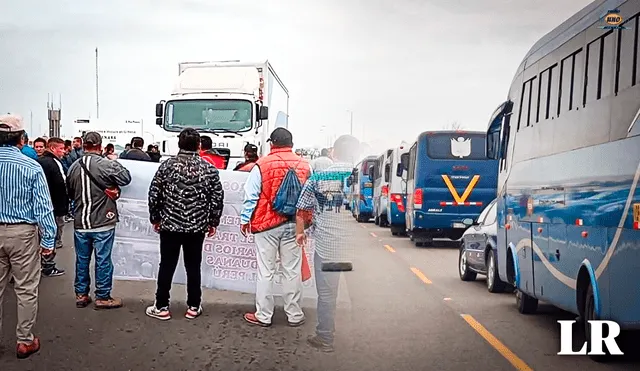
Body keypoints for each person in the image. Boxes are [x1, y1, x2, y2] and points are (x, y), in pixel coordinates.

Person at [146, 128, 224, 320]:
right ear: (199, 145)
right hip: (197, 227)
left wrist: (155, 218)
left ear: (179, 144)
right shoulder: (209, 169)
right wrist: (213, 221)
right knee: (193, 266)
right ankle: (193, 306)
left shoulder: (166, 167)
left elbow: (154, 194)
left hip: (170, 225)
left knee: (167, 265)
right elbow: (217, 198)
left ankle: (162, 306)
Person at [240, 128, 311, 327]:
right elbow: (309, 198)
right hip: (294, 225)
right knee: (291, 270)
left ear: (272, 143)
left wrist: (245, 219)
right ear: (292, 143)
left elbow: (251, 195)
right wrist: (305, 224)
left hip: (266, 225)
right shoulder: (305, 165)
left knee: (266, 271)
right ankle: (294, 314)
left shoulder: (261, 165)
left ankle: (263, 315)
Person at [295, 134, 360, 352]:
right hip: (359, 249)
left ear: (334, 152)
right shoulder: (367, 178)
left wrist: (300, 233)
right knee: (363, 293)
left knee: (327, 294)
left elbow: (302, 209)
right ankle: (364, 340)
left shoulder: (318, 178)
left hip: (327, 247)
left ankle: (325, 338)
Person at [0, 114, 57, 359]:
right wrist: (48, 240)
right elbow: (44, 207)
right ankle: (24, 341)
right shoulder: (31, 166)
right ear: (21, 139)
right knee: (26, 288)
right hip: (22, 233)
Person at [67, 132, 132, 309]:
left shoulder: (73, 166)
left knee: (82, 259)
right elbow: (126, 178)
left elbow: (70, 193)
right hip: (103, 219)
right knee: (103, 259)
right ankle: (102, 296)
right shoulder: (106, 164)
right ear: (99, 145)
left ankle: (81, 294)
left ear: (84, 145)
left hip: (81, 221)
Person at [36, 137, 69, 277]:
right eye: (61, 149)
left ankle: (38, 265)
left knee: (38, 236)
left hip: (42, 205)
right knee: (52, 234)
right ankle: (48, 266)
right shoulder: (54, 163)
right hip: (54, 205)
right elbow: (62, 184)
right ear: (53, 148)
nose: (64, 152)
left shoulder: (39, 162)